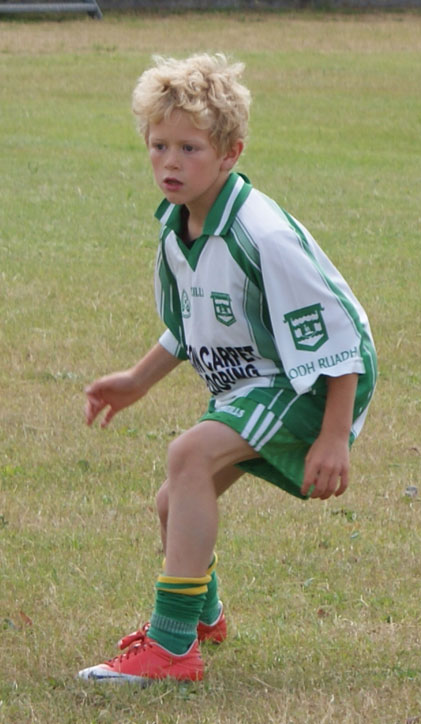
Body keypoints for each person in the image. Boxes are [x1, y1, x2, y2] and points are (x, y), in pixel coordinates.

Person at [78, 53, 377, 684]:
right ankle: (204, 616)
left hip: (311, 379)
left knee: (188, 455)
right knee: (173, 500)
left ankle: (171, 647)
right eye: (159, 145)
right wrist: (136, 380)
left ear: (230, 153)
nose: (169, 162)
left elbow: (339, 331)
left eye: (189, 148)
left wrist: (333, 434)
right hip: (258, 376)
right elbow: (194, 325)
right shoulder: (178, 229)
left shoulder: (260, 233)